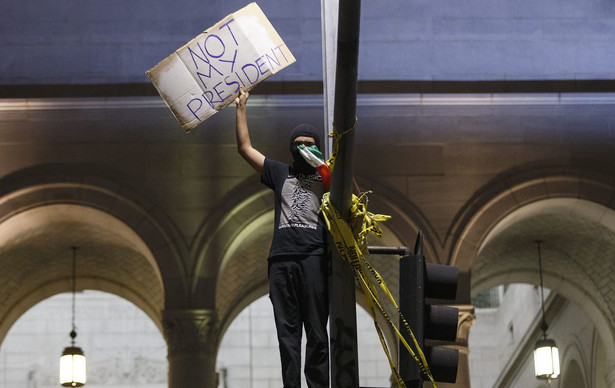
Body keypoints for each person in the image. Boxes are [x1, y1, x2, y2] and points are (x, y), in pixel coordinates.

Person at [235, 87, 330, 388]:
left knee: (316, 332)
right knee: (288, 336)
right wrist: (241, 107)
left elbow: (352, 199)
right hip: (281, 261)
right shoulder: (279, 172)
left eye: (309, 144)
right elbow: (245, 148)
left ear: (318, 147)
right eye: (298, 144)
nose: (303, 149)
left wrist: (326, 168)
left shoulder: (325, 176)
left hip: (314, 258)